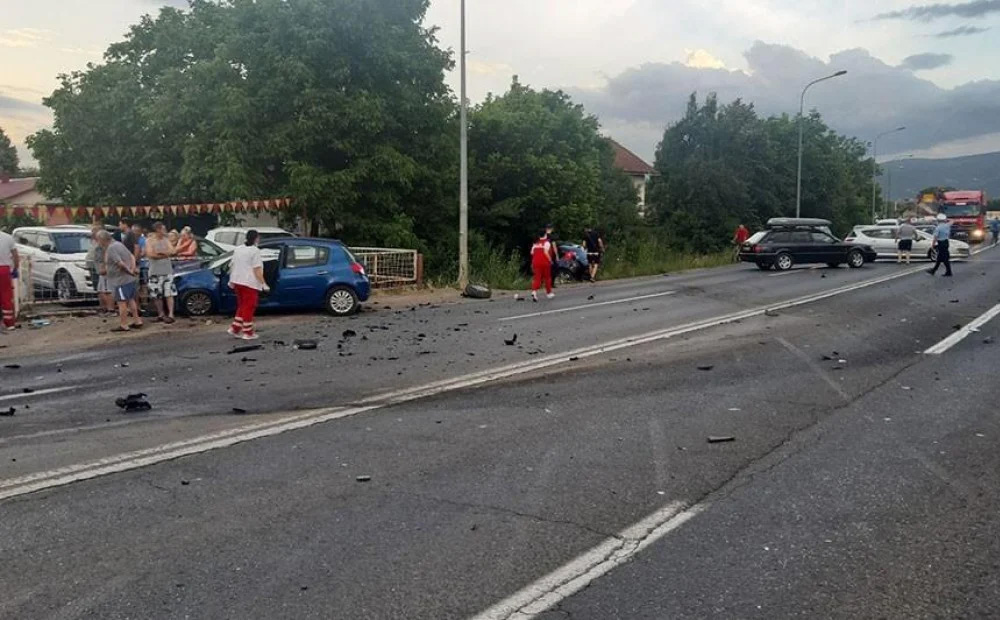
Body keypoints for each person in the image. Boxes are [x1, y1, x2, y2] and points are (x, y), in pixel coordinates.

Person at [228, 229, 269, 340]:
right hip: (249, 283)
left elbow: (232, 264)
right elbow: (257, 269)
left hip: (237, 281)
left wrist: (231, 280)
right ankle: (248, 332)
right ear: (256, 238)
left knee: (242, 305)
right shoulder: (255, 251)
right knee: (249, 306)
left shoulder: (239, 249)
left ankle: (235, 328)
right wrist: (264, 284)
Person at [101, 230, 144, 332]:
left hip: (120, 280)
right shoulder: (119, 244)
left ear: (102, 240)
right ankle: (137, 320)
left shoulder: (111, 248)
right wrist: (133, 269)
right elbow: (131, 256)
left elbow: (120, 263)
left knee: (122, 302)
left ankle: (124, 324)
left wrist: (129, 271)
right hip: (128, 279)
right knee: (131, 299)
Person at [146, 222, 177, 324]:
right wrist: (165, 254)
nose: (165, 231)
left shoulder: (166, 240)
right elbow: (150, 254)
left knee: (169, 293)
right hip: (155, 272)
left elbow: (173, 251)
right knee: (156, 294)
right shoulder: (150, 241)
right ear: (158, 229)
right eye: (163, 229)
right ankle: (161, 314)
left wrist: (161, 253)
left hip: (167, 271)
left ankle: (171, 314)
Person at [0, 226, 19, 334]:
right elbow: (15, 255)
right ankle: (9, 324)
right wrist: (15, 268)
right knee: (6, 296)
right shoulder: (8, 237)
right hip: (4, 269)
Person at [530, 229, 555, 302]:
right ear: (545, 235)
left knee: (537, 278)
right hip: (545, 262)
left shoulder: (535, 244)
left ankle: (534, 291)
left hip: (535, 262)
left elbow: (532, 253)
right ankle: (549, 293)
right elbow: (545, 252)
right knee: (547, 278)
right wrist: (550, 260)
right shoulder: (547, 242)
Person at [928, 213, 953, 277]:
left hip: (941, 243)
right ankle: (933, 270)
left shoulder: (938, 228)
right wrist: (946, 219)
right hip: (946, 242)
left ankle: (948, 272)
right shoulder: (947, 225)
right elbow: (952, 221)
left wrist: (932, 245)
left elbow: (935, 237)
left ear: (938, 220)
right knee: (940, 258)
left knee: (944, 258)